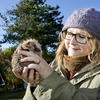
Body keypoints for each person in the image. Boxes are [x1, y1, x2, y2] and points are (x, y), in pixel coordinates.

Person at [12, 8, 100, 100]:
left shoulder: (48, 71)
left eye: (81, 36)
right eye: (69, 34)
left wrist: (49, 79)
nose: (72, 42)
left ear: (97, 43)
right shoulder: (53, 67)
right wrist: (35, 85)